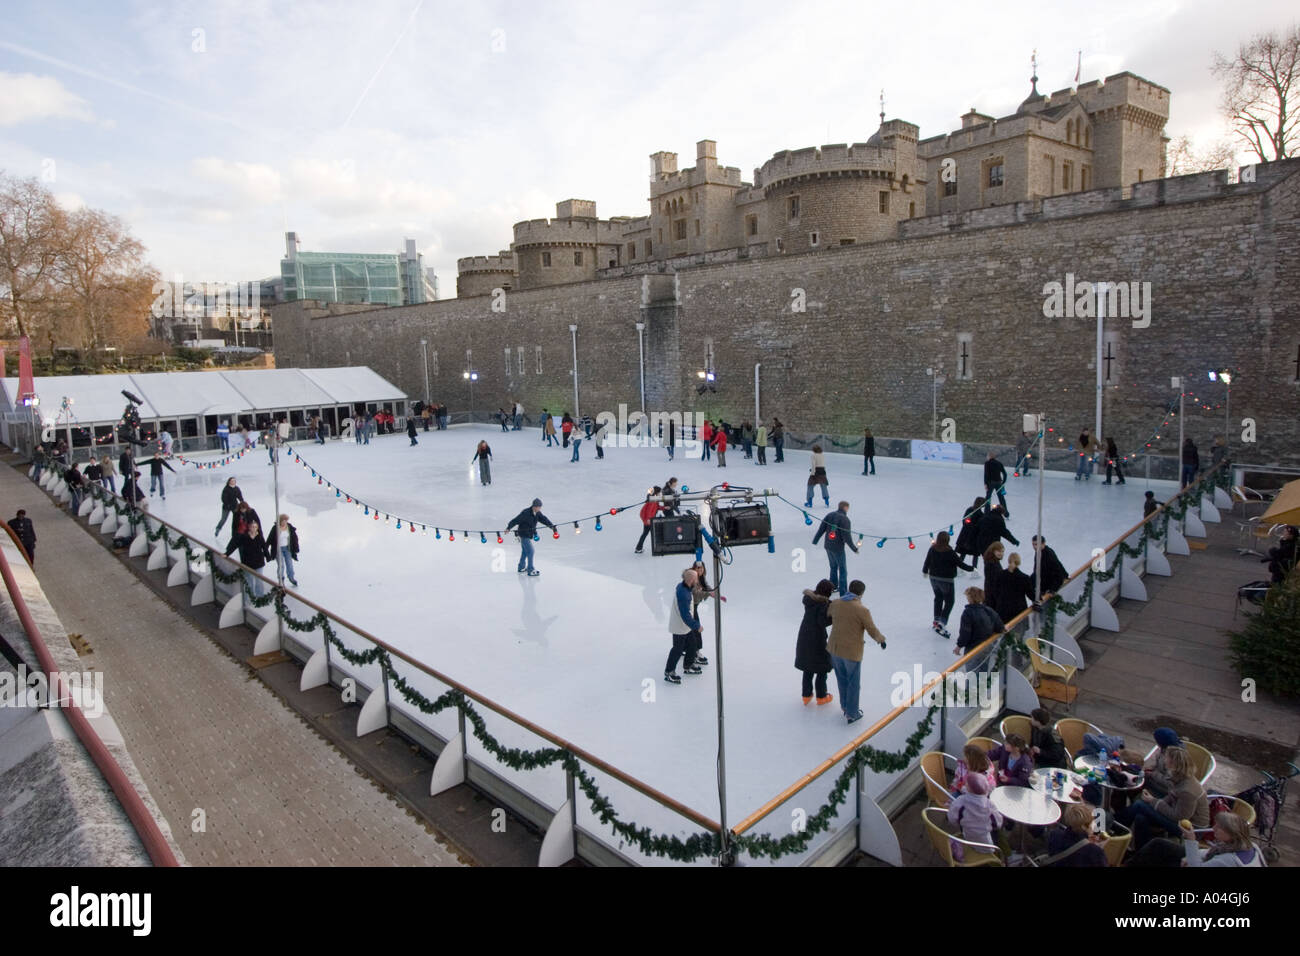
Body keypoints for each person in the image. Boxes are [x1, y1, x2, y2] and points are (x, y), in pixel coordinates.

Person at [1118, 746, 1209, 850]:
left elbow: (1179, 817)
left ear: (1173, 765)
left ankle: (1112, 826)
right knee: (1141, 818)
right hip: (1179, 819)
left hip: (1190, 829)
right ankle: (1140, 853)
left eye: (1166, 759)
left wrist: (1153, 801)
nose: (1164, 761)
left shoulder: (1187, 791)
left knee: (1140, 805)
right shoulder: (1178, 778)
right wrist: (1154, 801)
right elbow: (1171, 797)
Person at [827, 580, 887, 724]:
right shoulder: (862, 610)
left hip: (834, 648)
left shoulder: (835, 603)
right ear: (861, 594)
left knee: (842, 679)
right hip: (851, 651)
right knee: (853, 682)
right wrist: (881, 639)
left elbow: (829, 613)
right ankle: (852, 713)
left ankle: (844, 706)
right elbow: (871, 628)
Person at [922, 531, 974, 638]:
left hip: (934, 578)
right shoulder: (950, 552)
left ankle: (936, 620)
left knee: (938, 598)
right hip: (946, 580)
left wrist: (925, 571)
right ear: (947, 541)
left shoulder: (932, 549)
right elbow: (960, 564)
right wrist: (971, 568)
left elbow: (927, 561)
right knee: (950, 601)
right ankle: (942, 622)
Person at [795, 579, 835, 705]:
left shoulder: (810, 601)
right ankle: (821, 696)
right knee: (822, 669)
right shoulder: (822, 605)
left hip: (804, 637)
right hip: (817, 639)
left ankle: (806, 695)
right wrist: (833, 618)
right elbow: (822, 622)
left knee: (808, 668)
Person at [946, 773, 1003, 861]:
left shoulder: (960, 802)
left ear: (968, 788)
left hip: (967, 837)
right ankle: (1005, 858)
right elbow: (998, 824)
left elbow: (952, 819)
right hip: (987, 846)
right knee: (1001, 834)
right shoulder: (989, 805)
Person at [1178, 812, 1266, 867]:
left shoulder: (1228, 860)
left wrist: (1191, 840)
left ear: (1232, 833)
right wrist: (1190, 857)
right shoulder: (1251, 846)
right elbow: (1208, 852)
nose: (1213, 828)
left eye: (1219, 827)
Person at [812, 500, 859, 597]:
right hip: (838, 548)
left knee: (833, 567)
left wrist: (815, 540)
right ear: (846, 508)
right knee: (842, 569)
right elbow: (847, 537)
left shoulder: (830, 515)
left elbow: (822, 528)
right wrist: (854, 548)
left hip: (828, 546)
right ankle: (843, 592)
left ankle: (832, 586)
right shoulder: (845, 520)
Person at [664, 568, 702, 684]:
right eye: (696, 579)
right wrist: (696, 626)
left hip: (685, 626)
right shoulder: (683, 594)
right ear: (691, 580)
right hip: (679, 626)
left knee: (692, 644)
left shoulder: (683, 586)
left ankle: (688, 665)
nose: (697, 581)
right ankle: (669, 672)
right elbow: (685, 615)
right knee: (677, 649)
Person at [1042, 803, 1107, 866]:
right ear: (1084, 826)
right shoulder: (1095, 851)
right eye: (1093, 823)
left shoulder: (1055, 835)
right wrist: (1100, 848)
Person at [506, 498, 555, 576]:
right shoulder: (525, 513)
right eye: (538, 507)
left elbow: (544, 519)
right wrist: (508, 528)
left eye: (540, 507)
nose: (539, 509)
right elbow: (515, 520)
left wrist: (551, 526)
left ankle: (521, 567)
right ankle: (530, 569)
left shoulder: (537, 513)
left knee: (525, 551)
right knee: (531, 551)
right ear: (534, 506)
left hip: (529, 534)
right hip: (523, 534)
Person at [224, 518, 271, 598]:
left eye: (255, 527)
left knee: (259, 581)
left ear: (257, 528)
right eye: (252, 527)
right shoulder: (244, 537)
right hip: (247, 563)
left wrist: (268, 557)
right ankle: (250, 597)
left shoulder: (260, 537)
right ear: (249, 527)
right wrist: (227, 554)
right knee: (249, 582)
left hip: (258, 562)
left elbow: (265, 548)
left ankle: (260, 597)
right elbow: (235, 545)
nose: (253, 528)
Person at [954, 587, 1004, 656]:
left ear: (970, 598)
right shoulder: (988, 610)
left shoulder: (968, 613)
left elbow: (965, 633)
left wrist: (959, 646)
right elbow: (1000, 627)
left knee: (972, 665)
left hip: (973, 648)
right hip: (988, 646)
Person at [1143, 727, 1183, 798]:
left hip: (1167, 791)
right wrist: (1152, 767)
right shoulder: (1164, 749)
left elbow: (1170, 782)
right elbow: (1160, 764)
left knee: (1138, 782)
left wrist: (1152, 774)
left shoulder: (1174, 759)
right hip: (1159, 778)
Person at [994, 552, 1033, 625]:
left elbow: (996, 591)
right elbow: (1031, 594)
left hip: (1003, 611)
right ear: (1018, 563)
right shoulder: (1024, 578)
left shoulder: (1000, 575)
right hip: (1018, 611)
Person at [267, 514, 300, 587]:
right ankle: (281, 579)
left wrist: (296, 548)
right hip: (278, 549)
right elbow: (270, 538)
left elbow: (294, 538)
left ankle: (291, 577)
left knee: (289, 564)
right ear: (280, 521)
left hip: (287, 548)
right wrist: (265, 548)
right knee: (281, 565)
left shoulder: (289, 527)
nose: (285, 522)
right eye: (283, 520)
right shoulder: (275, 528)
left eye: (286, 520)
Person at [955, 498, 985, 572]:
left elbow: (964, 520)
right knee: (975, 554)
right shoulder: (980, 514)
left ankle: (959, 567)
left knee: (963, 552)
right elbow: (979, 526)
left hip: (965, 535)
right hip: (973, 537)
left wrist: (967, 524)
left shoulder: (969, 510)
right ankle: (974, 570)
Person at [634, 487, 661, 554]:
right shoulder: (652, 501)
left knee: (645, 533)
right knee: (655, 533)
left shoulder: (654, 499)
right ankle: (659, 548)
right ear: (657, 493)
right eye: (660, 492)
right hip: (649, 520)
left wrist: (664, 508)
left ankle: (638, 548)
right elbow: (649, 511)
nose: (660, 494)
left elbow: (657, 507)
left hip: (649, 519)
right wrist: (648, 519)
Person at [983, 451, 1009, 516]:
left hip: (990, 482)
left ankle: (987, 512)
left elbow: (986, 474)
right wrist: (1003, 482)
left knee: (988, 498)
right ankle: (1005, 512)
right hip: (998, 482)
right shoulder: (999, 463)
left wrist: (985, 483)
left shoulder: (987, 463)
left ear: (989, 457)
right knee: (1001, 497)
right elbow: (1005, 474)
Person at [982, 542, 1005, 612]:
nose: (1001, 553)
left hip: (992, 596)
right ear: (993, 551)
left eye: (1002, 551)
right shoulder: (991, 564)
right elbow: (992, 582)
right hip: (993, 598)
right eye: (999, 551)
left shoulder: (994, 562)